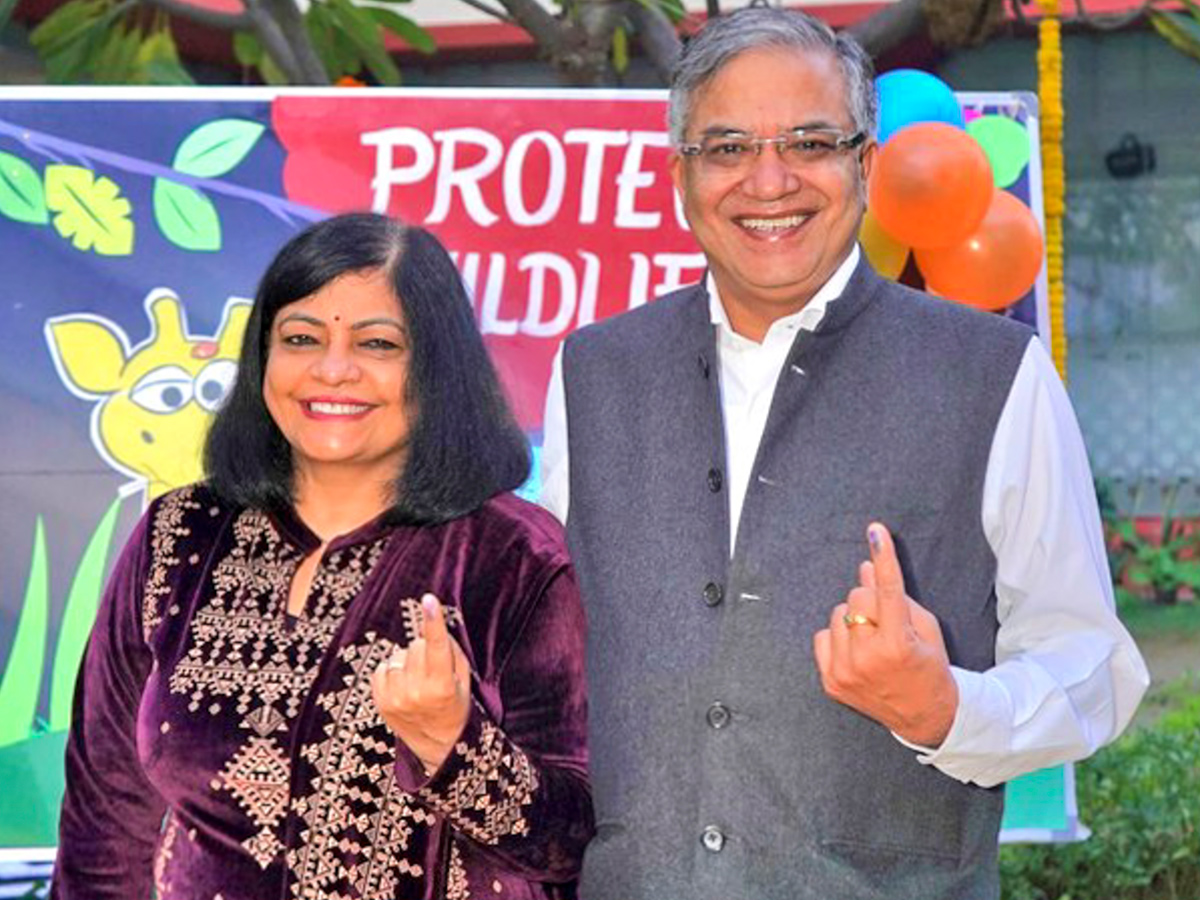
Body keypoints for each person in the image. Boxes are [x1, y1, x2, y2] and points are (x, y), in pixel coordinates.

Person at [540, 8, 1147, 900]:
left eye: (810, 141)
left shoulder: (993, 374)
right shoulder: (592, 372)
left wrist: (947, 709)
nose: (770, 180)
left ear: (864, 164)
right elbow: (555, 665)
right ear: (681, 176)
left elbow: (1091, 668)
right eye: (728, 147)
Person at [52, 213, 593, 900]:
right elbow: (106, 812)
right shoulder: (182, 533)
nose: (333, 370)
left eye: (377, 343)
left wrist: (452, 743)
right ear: (262, 360)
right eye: (301, 339)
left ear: (434, 368)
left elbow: (574, 841)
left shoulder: (514, 556)